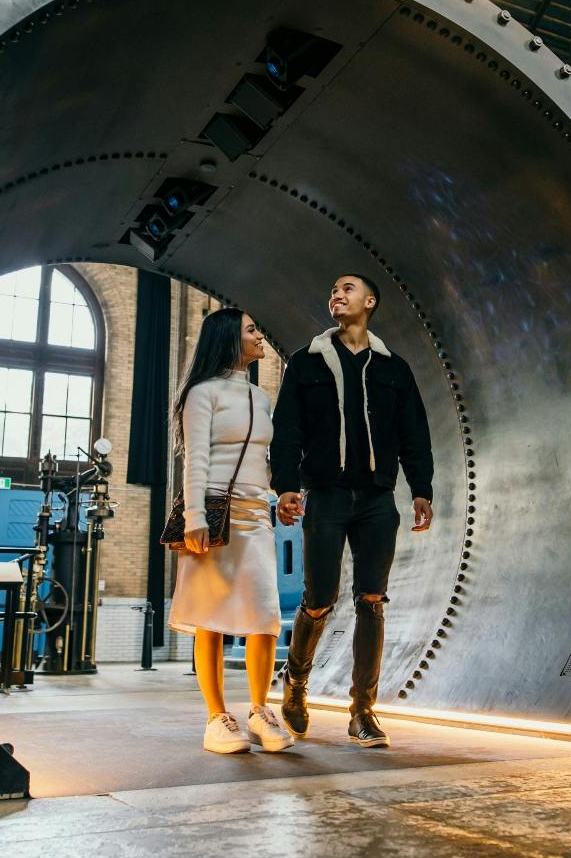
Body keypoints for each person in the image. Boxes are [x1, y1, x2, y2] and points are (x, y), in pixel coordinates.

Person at [271, 274, 434, 747]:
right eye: (333, 290)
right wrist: (286, 487)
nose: (337, 295)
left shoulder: (393, 368)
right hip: (326, 495)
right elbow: (287, 430)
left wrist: (421, 489)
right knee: (319, 598)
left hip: (377, 499)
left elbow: (414, 433)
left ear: (370, 301)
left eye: (347, 289)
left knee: (372, 600)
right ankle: (296, 684)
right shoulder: (305, 362)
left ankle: (362, 709)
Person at [168, 308, 295, 755]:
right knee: (211, 616)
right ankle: (216, 718)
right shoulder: (202, 393)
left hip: (257, 515)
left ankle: (260, 711)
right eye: (251, 330)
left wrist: (281, 494)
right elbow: (195, 459)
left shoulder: (261, 396)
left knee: (265, 616)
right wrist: (194, 517)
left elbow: (262, 459)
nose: (260, 336)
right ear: (228, 338)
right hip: (215, 516)